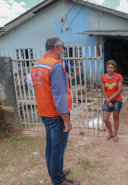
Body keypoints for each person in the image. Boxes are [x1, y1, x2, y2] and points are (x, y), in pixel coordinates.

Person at [31, 36, 80, 185]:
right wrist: (66, 120)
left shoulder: (37, 65)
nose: (63, 51)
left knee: (51, 147)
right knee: (57, 149)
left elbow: (37, 89)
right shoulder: (55, 66)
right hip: (56, 115)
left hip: (44, 113)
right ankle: (59, 180)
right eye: (63, 48)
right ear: (58, 47)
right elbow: (59, 97)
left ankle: (55, 172)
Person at [101, 60, 123, 142]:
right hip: (107, 101)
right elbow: (103, 90)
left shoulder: (118, 76)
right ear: (106, 68)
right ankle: (110, 132)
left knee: (115, 118)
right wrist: (108, 101)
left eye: (111, 68)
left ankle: (116, 134)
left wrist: (109, 99)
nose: (110, 69)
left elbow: (119, 90)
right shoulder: (103, 77)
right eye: (108, 67)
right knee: (105, 119)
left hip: (117, 101)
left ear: (114, 68)